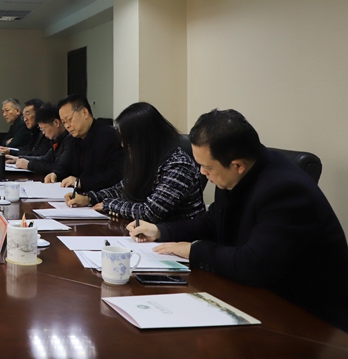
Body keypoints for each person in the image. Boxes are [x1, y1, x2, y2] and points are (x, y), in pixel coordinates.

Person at [127, 109, 348, 332]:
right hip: (254, 296)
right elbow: (212, 221)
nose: (202, 173)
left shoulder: (286, 190)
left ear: (237, 165)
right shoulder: (238, 175)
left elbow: (253, 265)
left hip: (306, 320)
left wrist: (194, 250)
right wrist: (161, 231)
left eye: (207, 167)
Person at [66, 102, 204, 223]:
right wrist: (89, 198)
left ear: (142, 138)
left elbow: (150, 212)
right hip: (150, 234)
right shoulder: (149, 159)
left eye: (127, 139)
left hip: (178, 238)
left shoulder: (178, 165)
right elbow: (124, 188)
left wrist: (109, 204)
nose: (123, 145)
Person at [56, 94, 124, 191]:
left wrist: (82, 182)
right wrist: (55, 174)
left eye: (69, 120)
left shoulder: (108, 136)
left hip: (102, 195)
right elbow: (65, 165)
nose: (67, 126)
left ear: (85, 113)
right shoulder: (73, 139)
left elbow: (116, 174)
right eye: (64, 122)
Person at [11, 103, 74, 182]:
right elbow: (45, 158)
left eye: (43, 129)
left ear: (56, 123)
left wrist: (29, 165)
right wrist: (20, 158)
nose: (43, 133)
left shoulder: (70, 139)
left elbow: (60, 167)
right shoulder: (57, 139)